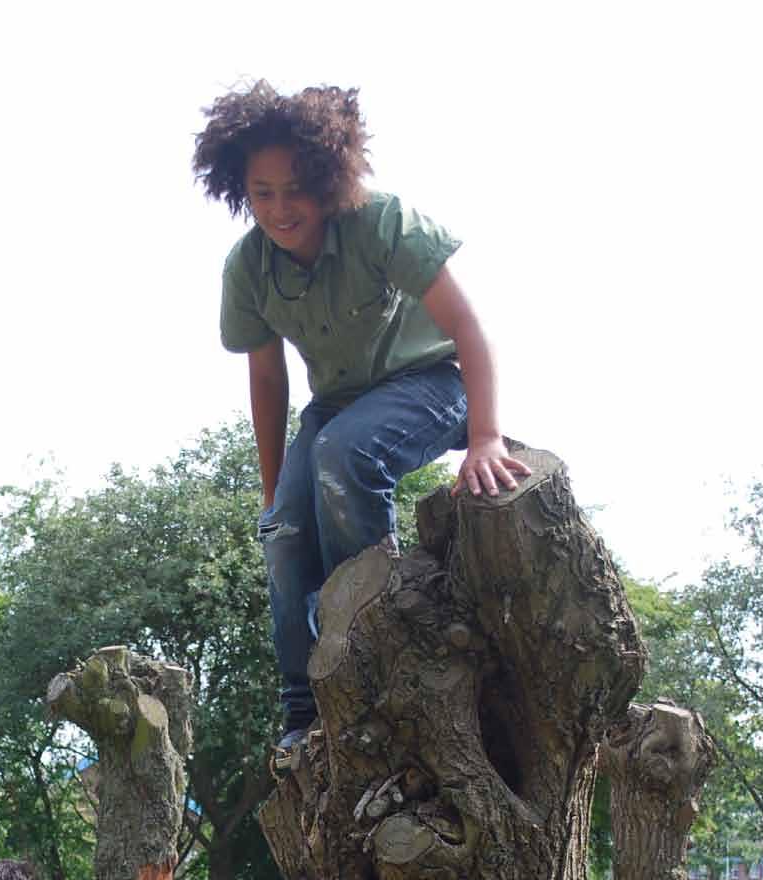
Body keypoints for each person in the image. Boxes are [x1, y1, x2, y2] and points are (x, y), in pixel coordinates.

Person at [193, 81, 531, 749]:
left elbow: (466, 324)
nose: (279, 207)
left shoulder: (379, 221)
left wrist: (485, 435)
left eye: (294, 189)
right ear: (240, 190)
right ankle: (302, 712)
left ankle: (379, 646)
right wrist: (272, 498)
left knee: (343, 457)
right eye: (262, 192)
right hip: (339, 405)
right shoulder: (248, 268)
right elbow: (267, 378)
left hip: (431, 384)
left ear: (325, 179)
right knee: (285, 528)